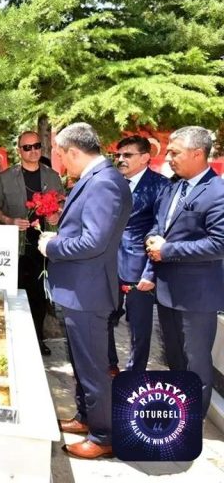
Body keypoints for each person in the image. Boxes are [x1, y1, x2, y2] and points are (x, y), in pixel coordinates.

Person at [38, 122, 131, 460]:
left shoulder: (104, 183)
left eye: (61, 155)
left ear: (74, 152)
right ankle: (86, 416)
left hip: (88, 292)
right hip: (80, 289)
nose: (61, 162)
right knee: (81, 362)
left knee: (93, 367)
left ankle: (104, 435)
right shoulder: (96, 179)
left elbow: (94, 240)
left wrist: (53, 246)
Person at [145, 126, 224, 414]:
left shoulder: (218, 192)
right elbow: (160, 225)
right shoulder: (174, 187)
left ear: (198, 153)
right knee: (174, 357)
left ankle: (194, 419)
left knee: (195, 362)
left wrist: (167, 250)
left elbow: (219, 244)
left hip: (197, 295)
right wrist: (153, 238)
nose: (168, 157)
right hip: (168, 292)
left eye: (174, 152)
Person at [0, 132, 65, 355]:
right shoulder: (5, 178)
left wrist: (56, 215)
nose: (33, 151)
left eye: (37, 146)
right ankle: (13, 340)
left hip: (43, 243)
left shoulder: (52, 176)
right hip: (15, 245)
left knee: (40, 296)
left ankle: (38, 339)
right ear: (19, 151)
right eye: (27, 147)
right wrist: (8, 220)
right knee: (14, 294)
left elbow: (61, 205)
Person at [106, 136, 168, 376]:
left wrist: (150, 271)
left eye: (127, 155)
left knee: (139, 327)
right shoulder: (112, 183)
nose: (121, 159)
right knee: (105, 317)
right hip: (108, 264)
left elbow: (161, 229)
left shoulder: (160, 186)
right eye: (118, 155)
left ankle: (134, 374)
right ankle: (110, 363)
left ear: (144, 157)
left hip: (139, 268)